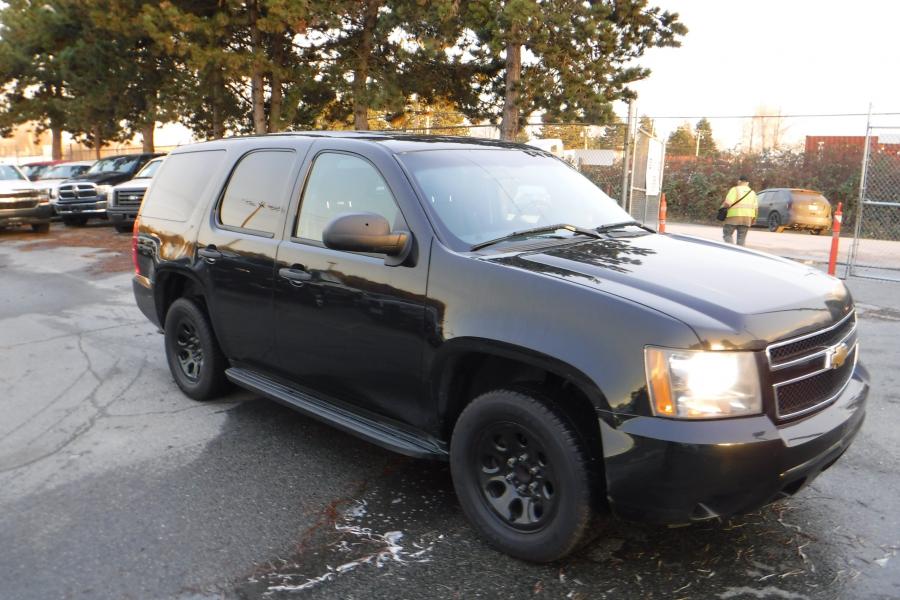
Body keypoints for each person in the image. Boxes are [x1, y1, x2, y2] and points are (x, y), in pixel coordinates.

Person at [721, 175, 758, 246]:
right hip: (747, 218)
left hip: (733, 217)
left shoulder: (735, 190)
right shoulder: (752, 193)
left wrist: (722, 209)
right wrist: (754, 219)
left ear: (739, 181)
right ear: (748, 183)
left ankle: (731, 250)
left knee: (727, 234)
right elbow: (756, 208)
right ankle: (739, 254)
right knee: (741, 239)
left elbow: (727, 203)